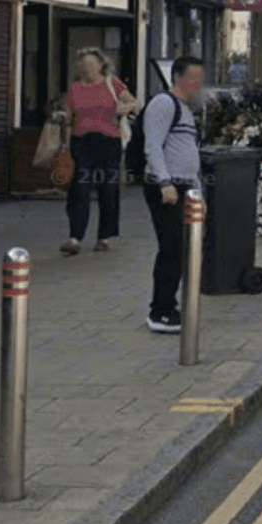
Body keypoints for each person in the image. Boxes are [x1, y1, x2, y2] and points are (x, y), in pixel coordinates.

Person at [141, 56, 205, 335]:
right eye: (194, 79)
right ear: (178, 78)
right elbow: (152, 146)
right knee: (172, 248)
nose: (199, 85)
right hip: (166, 188)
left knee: (181, 249)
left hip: (184, 188)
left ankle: (170, 306)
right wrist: (165, 183)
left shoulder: (184, 109)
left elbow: (189, 153)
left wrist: (197, 192)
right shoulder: (163, 104)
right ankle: (160, 311)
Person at [53, 47, 138, 256]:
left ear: (100, 65)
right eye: (82, 65)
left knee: (108, 188)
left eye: (90, 65)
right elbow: (71, 113)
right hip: (82, 141)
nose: (86, 69)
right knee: (79, 188)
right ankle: (75, 237)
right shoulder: (75, 88)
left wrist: (125, 108)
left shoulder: (113, 84)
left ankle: (104, 237)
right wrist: (62, 116)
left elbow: (136, 103)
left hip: (108, 142)